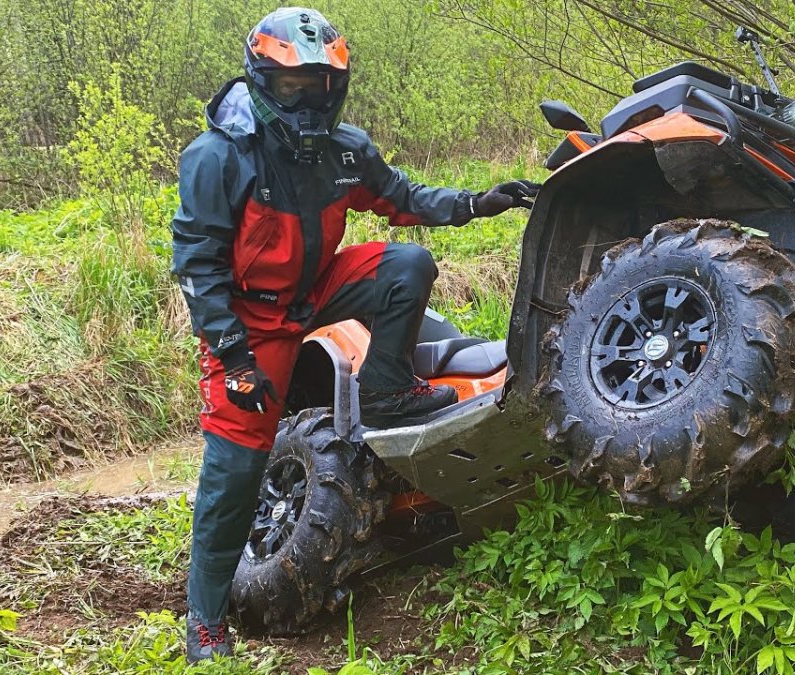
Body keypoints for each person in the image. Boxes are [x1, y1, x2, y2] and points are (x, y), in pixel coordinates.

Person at [170, 7, 538, 663]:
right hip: (251, 318)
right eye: (292, 87)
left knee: (406, 263)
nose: (308, 100)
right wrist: (234, 359)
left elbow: (405, 198)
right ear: (262, 80)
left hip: (319, 287)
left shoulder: (345, 152)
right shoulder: (219, 156)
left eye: (320, 86)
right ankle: (204, 618)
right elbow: (198, 267)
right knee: (235, 465)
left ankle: (386, 392)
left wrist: (479, 201)